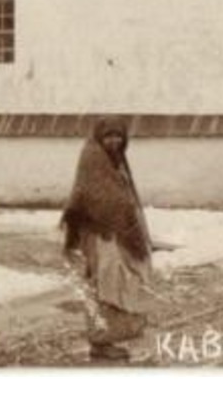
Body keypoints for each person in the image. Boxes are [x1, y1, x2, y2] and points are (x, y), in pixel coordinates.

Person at [61, 116, 153, 361]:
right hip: (101, 235)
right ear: (99, 138)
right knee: (105, 287)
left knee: (118, 283)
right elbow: (89, 198)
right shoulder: (93, 161)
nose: (114, 141)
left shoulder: (116, 162)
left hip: (115, 236)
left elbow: (126, 198)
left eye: (118, 136)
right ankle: (101, 342)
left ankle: (107, 339)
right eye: (108, 136)